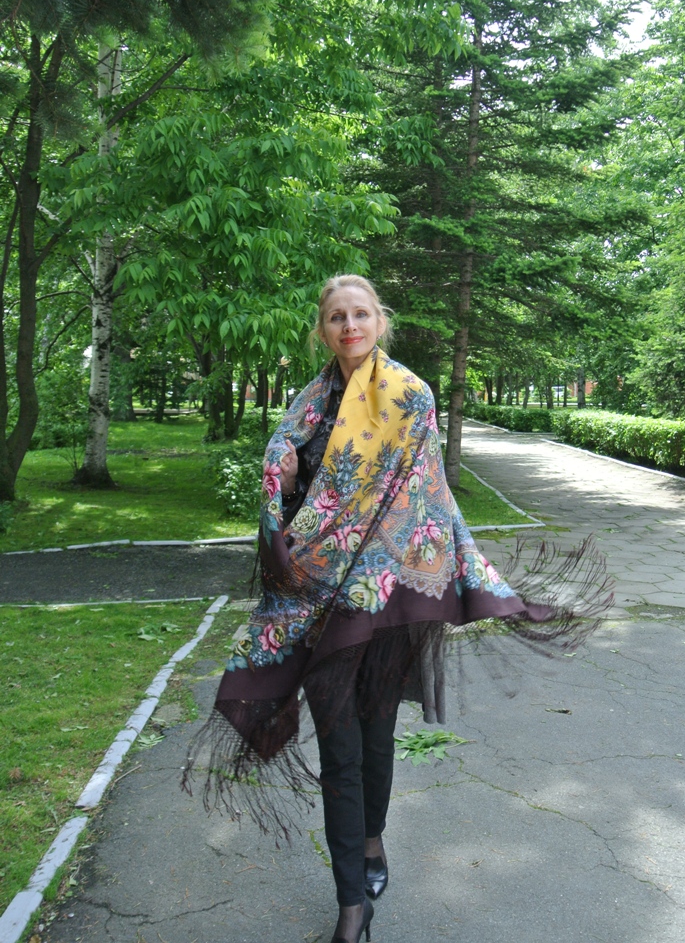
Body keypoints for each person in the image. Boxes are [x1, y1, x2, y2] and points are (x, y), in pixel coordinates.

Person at [184, 274, 609, 943]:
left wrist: (437, 571)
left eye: (360, 314)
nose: (349, 325)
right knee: (340, 750)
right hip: (317, 602)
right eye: (336, 317)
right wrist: (285, 483)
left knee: (376, 737)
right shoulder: (305, 406)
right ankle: (351, 904)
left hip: (385, 602)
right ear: (322, 330)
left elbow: (423, 498)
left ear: (379, 322)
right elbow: (293, 501)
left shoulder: (411, 397)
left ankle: (372, 839)